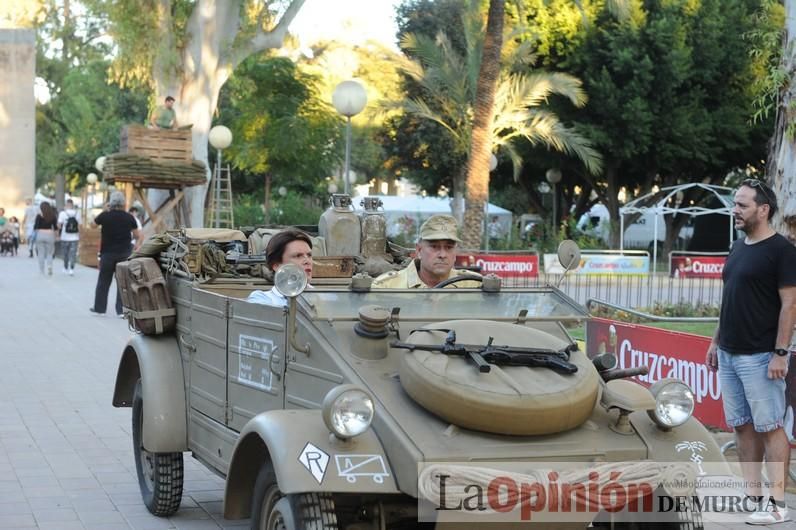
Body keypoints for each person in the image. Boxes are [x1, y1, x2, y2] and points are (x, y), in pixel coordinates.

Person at [705, 178, 796, 525]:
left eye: (742, 205)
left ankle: (776, 505)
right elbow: (730, 299)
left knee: (771, 427)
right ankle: (753, 496)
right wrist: (715, 341)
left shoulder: (783, 251)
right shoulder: (738, 246)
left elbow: (790, 306)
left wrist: (780, 353)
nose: (735, 210)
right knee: (742, 427)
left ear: (763, 209)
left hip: (761, 356)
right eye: (735, 203)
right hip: (728, 353)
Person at [372, 214, 481, 288]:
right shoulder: (388, 286)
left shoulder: (474, 284)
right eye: (434, 247)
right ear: (419, 250)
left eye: (449, 247)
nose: (442, 255)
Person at [91, 191, 142, 316]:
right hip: (124, 253)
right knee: (123, 282)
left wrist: (104, 209)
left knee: (103, 281)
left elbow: (92, 225)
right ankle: (121, 310)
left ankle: (100, 309)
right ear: (124, 203)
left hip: (107, 254)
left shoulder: (104, 216)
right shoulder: (129, 217)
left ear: (111, 203)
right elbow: (137, 235)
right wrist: (136, 245)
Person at [247, 229, 314, 307]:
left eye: (309, 255)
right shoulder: (261, 299)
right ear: (277, 265)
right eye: (298, 256)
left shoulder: (323, 297)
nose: (307, 261)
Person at [34, 201, 58, 275]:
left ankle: (42, 271)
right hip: (49, 234)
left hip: (40, 234)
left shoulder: (39, 216)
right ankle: (49, 267)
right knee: (49, 253)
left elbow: (35, 227)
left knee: (41, 253)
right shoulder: (53, 216)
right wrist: (57, 236)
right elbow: (56, 227)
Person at [57, 199, 81, 275]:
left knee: (65, 253)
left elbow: (59, 225)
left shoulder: (62, 213)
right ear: (72, 205)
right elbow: (80, 225)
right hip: (75, 237)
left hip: (64, 237)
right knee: (73, 253)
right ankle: (72, 269)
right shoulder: (77, 213)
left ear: (66, 205)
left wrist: (59, 232)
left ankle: (65, 267)